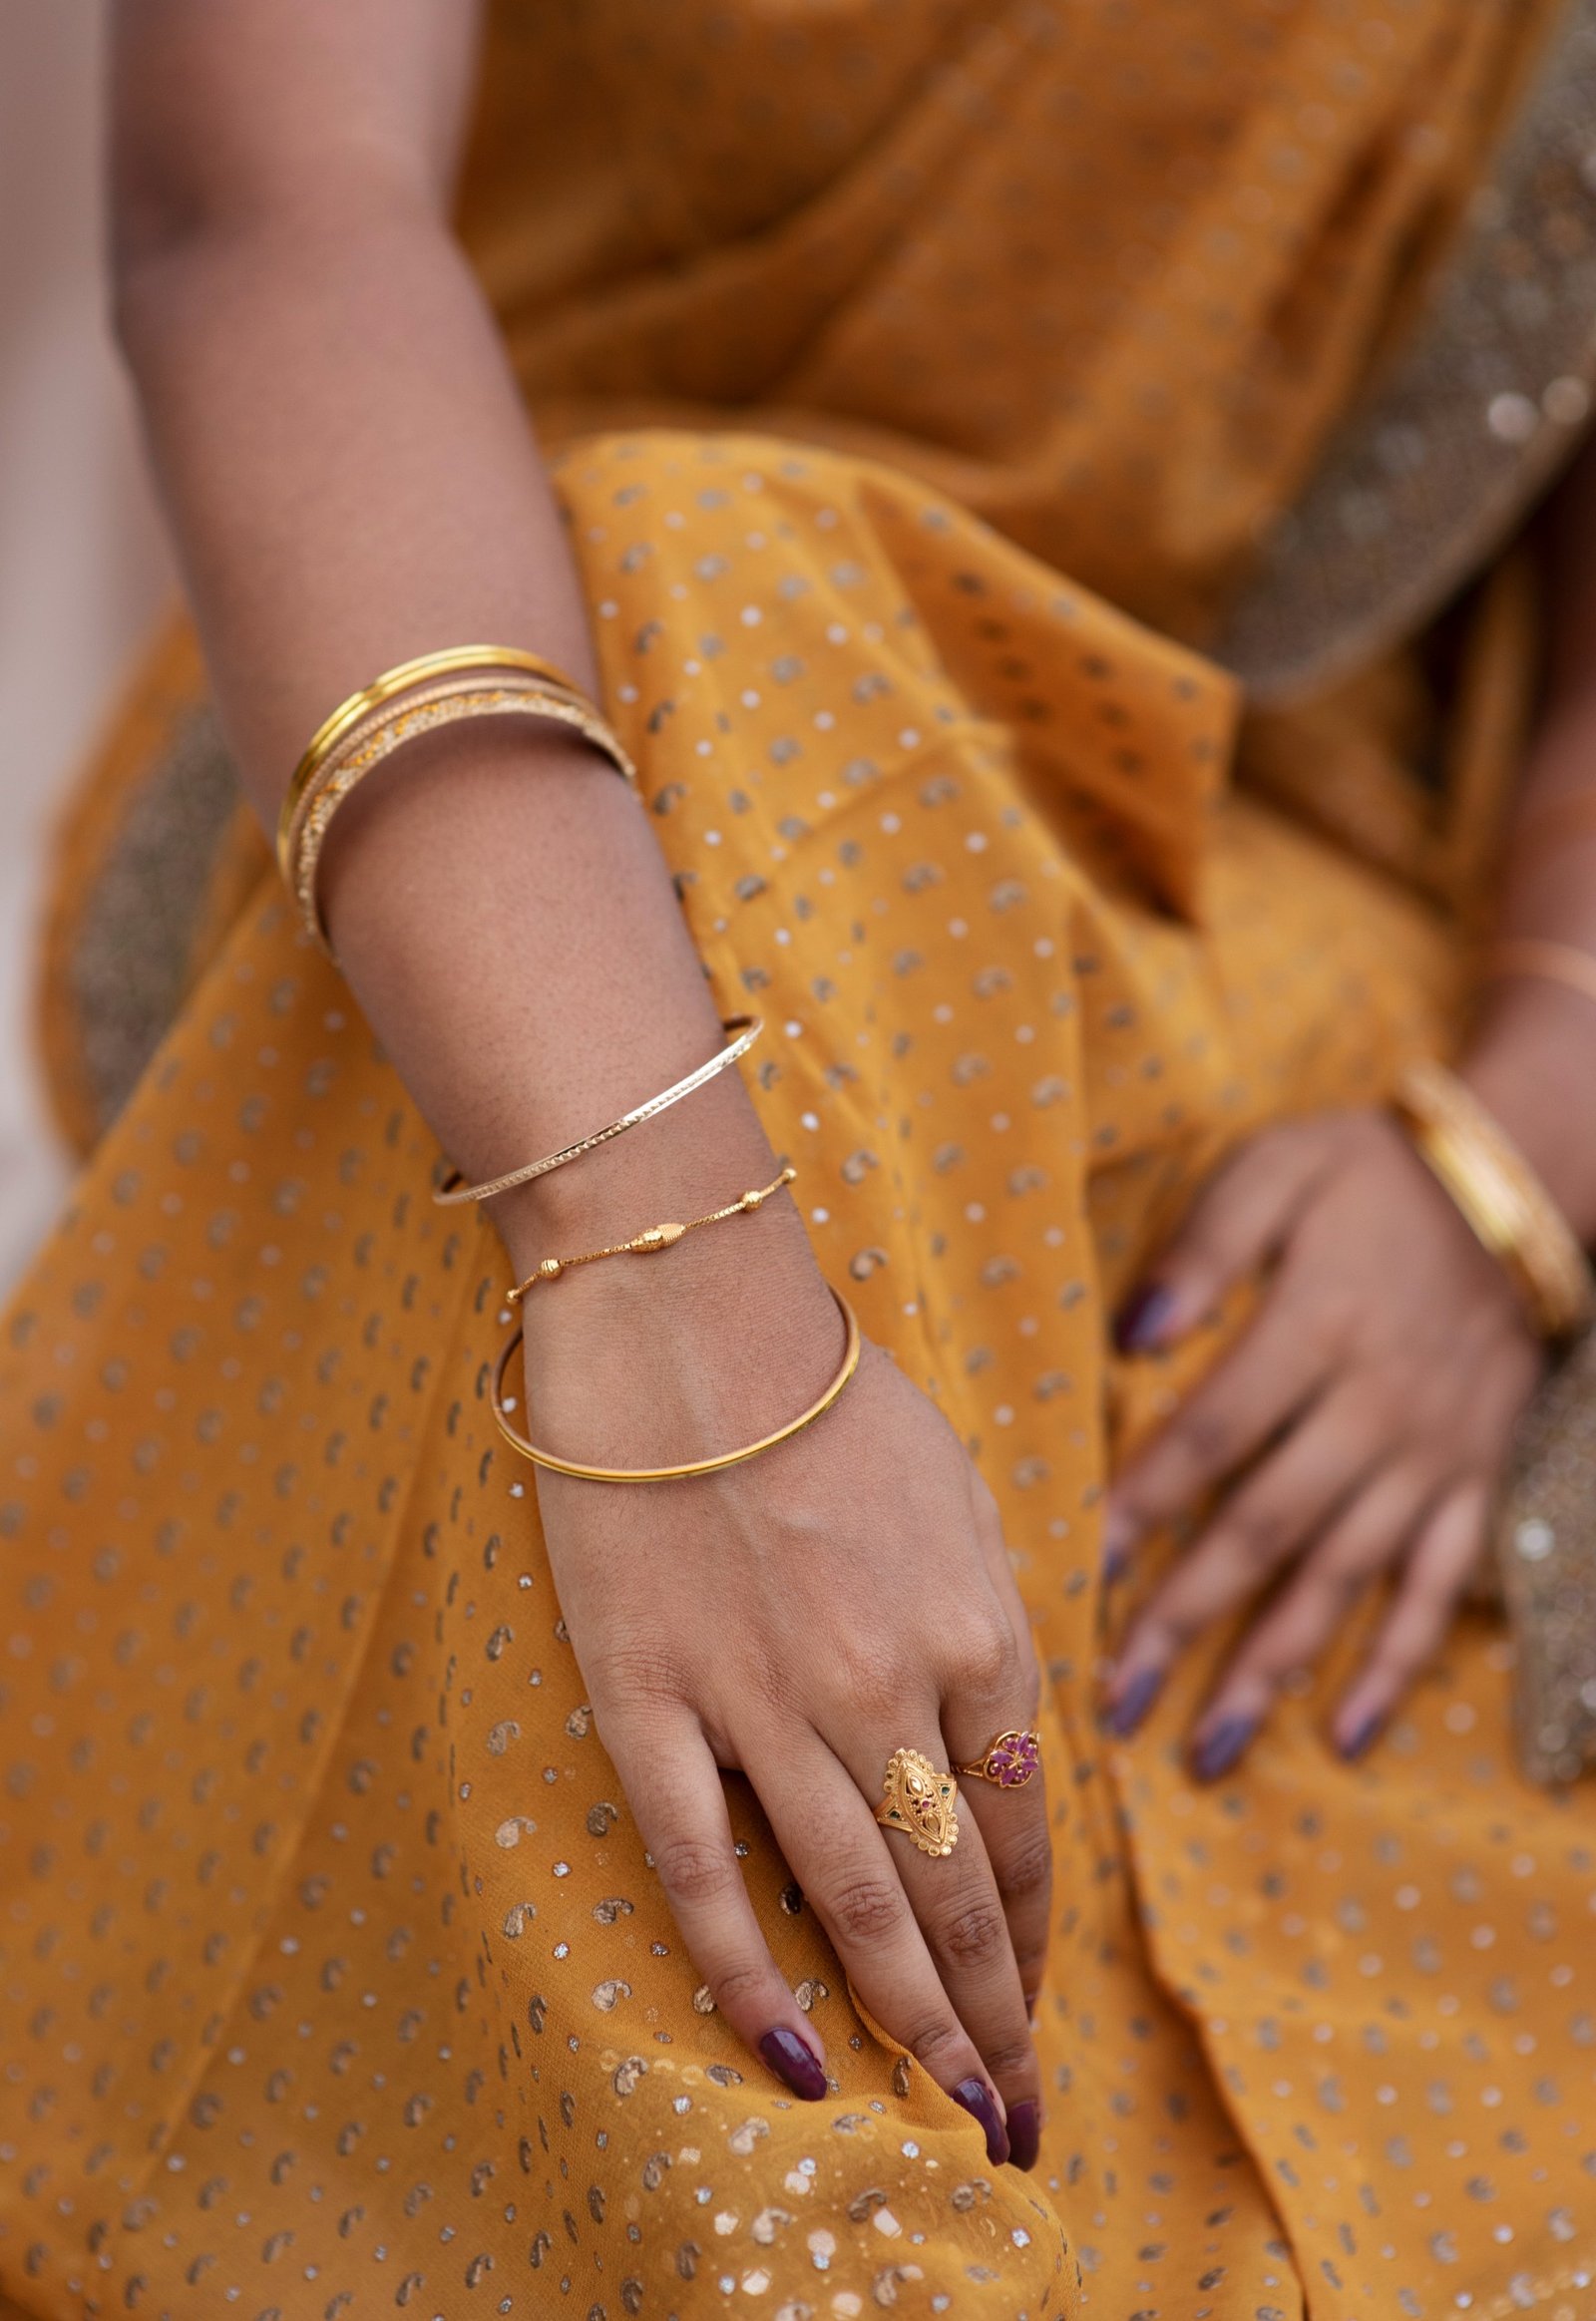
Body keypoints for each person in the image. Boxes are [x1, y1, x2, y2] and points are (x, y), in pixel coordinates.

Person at [5, 0, 1596, 2311]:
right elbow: (261, 211)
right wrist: (666, 1266)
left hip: (1247, 899)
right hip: (494, 777)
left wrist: (1512, 1155)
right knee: (704, 604)